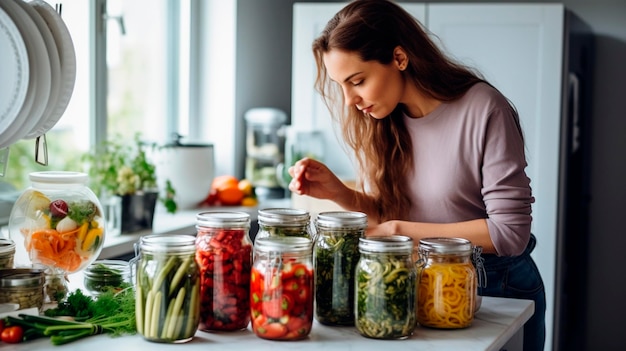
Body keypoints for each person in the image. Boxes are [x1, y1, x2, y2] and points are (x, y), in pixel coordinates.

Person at [287, 1, 546, 350]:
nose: (349, 100)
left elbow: (509, 233)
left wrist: (398, 232)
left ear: (399, 58)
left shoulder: (485, 109)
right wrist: (340, 193)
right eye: (341, 86)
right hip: (418, 284)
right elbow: (392, 211)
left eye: (358, 81)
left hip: (494, 285)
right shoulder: (386, 123)